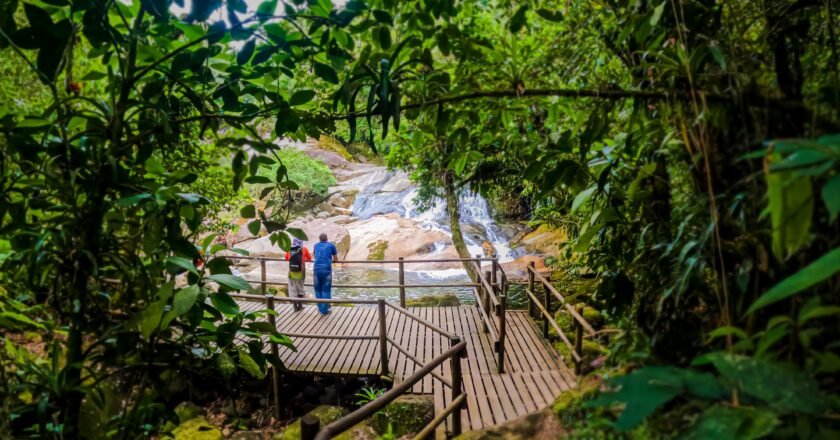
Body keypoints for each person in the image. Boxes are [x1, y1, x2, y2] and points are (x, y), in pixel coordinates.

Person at [312, 233, 338, 315]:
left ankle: (320, 308)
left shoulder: (316, 245)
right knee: (326, 289)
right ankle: (325, 310)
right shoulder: (331, 245)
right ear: (327, 239)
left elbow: (314, 256)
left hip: (316, 269)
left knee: (317, 289)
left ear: (319, 239)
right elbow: (336, 259)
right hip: (326, 269)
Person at [284, 238, 312, 311]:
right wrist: (302, 260)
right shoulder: (304, 249)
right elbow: (309, 258)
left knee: (292, 288)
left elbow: (286, 258)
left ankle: (295, 307)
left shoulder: (289, 249)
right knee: (300, 287)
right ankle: (300, 305)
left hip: (292, 271)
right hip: (301, 271)